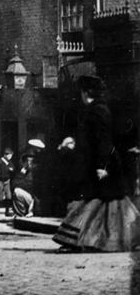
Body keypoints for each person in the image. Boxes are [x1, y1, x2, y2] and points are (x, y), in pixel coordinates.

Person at [54, 76, 140, 252]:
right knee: (107, 206)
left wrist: (103, 166)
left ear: (86, 93)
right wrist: (72, 142)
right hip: (99, 164)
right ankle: (101, 240)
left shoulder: (97, 111)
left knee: (94, 204)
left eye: (81, 93)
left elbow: (103, 141)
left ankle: (79, 239)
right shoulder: (95, 110)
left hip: (102, 164)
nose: (80, 96)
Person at [0, 148, 14, 217]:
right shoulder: (0, 162)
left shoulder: (9, 162)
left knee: (8, 196)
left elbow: (13, 167)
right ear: (6, 155)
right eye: (10, 155)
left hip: (7, 181)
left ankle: (7, 212)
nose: (11, 157)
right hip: (0, 181)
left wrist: (12, 169)